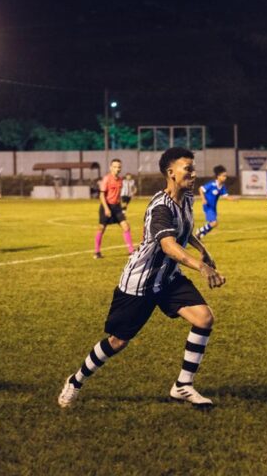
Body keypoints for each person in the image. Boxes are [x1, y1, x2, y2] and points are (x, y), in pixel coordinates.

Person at [58, 147, 226, 409]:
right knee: (117, 341)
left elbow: (185, 229)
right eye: (188, 169)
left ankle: (183, 386)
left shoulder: (188, 196)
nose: (194, 173)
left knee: (204, 318)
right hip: (140, 283)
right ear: (171, 173)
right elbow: (169, 245)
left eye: (193, 168)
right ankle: (76, 380)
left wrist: (204, 252)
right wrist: (201, 267)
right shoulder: (160, 207)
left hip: (168, 278)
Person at [94, 159, 134, 259]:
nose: (117, 169)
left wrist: (122, 205)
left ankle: (131, 251)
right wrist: (106, 209)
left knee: (126, 226)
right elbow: (102, 195)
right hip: (106, 206)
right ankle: (97, 252)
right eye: (115, 167)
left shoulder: (120, 180)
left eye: (119, 167)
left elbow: (118, 195)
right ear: (111, 168)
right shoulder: (106, 179)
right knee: (101, 228)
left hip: (117, 207)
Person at [195, 165, 236, 239]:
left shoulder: (222, 186)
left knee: (213, 223)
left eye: (225, 176)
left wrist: (232, 199)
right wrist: (203, 199)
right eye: (223, 176)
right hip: (208, 206)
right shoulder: (212, 184)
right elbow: (200, 189)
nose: (225, 178)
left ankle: (201, 235)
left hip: (213, 207)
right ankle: (200, 231)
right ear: (218, 176)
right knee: (214, 223)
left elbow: (225, 196)